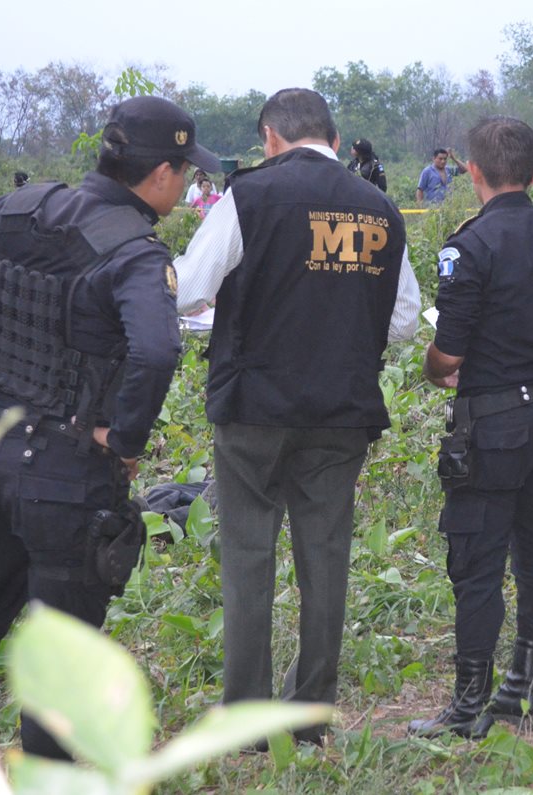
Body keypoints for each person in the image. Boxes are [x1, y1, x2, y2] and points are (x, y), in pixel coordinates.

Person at [0, 95, 218, 795]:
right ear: (162, 174)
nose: (188, 184)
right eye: (185, 171)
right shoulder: (137, 252)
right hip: (69, 475)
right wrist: (128, 440)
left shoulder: (13, 209)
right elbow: (157, 347)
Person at [173, 88, 419, 745]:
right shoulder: (381, 208)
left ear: (270, 138)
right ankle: (311, 715)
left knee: (249, 552)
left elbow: (191, 288)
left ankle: (249, 719)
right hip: (342, 408)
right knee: (326, 553)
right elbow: (400, 322)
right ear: (334, 140)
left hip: (254, 406)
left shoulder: (249, 196)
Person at [407, 117, 533, 739]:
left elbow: (449, 348)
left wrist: (433, 369)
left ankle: (469, 706)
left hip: (490, 427)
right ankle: (522, 688)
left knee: (476, 563)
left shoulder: (468, 245)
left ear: (471, 173)